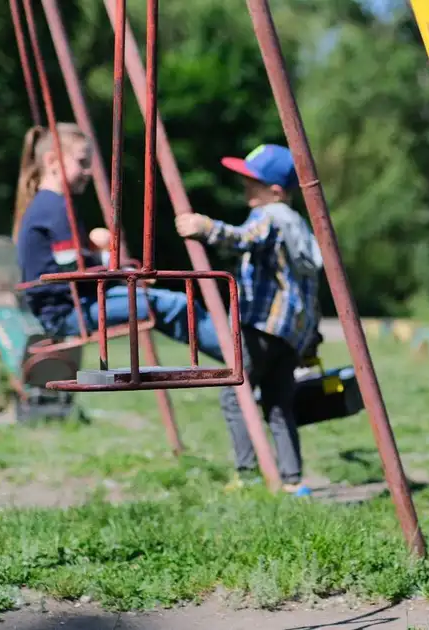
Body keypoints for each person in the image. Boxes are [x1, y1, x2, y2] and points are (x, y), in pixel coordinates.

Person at [175, 143, 324, 496]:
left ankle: (248, 474)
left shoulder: (270, 216)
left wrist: (205, 227)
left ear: (274, 191)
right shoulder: (299, 227)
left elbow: (244, 238)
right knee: (278, 404)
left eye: (251, 182)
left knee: (234, 394)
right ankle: (293, 480)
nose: (244, 188)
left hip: (261, 325)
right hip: (290, 335)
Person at [13, 124, 226, 363]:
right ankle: (240, 355)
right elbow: (73, 268)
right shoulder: (55, 209)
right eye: (82, 162)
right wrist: (119, 270)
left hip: (71, 306)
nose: (89, 172)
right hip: (69, 312)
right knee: (176, 305)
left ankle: (234, 353)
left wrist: (113, 266)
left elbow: (72, 263)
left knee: (167, 304)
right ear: (52, 161)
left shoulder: (47, 206)